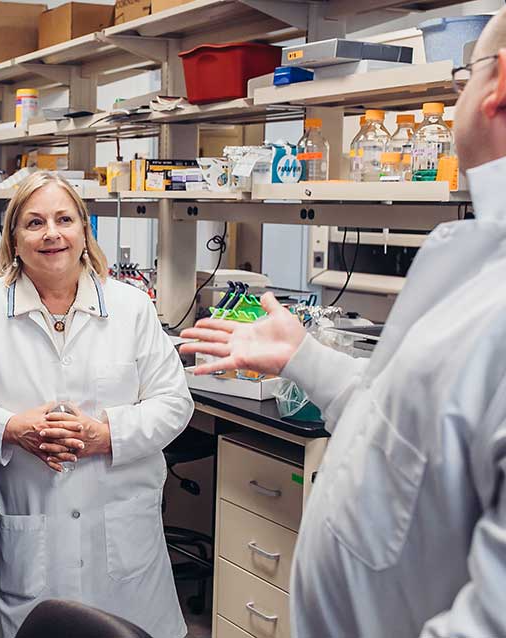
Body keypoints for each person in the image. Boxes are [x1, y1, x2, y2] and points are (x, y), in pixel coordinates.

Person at [179, 10, 506, 636]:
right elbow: (399, 428)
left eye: (462, 77)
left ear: (498, 86)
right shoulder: (475, 263)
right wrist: (303, 356)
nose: (456, 96)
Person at [0, 171, 193, 638]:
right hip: (35, 524)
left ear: (84, 231)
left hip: (122, 527)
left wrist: (106, 435)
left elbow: (174, 402)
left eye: (64, 219)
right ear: (13, 237)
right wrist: (13, 427)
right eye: (34, 222)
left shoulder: (130, 307)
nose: (51, 233)